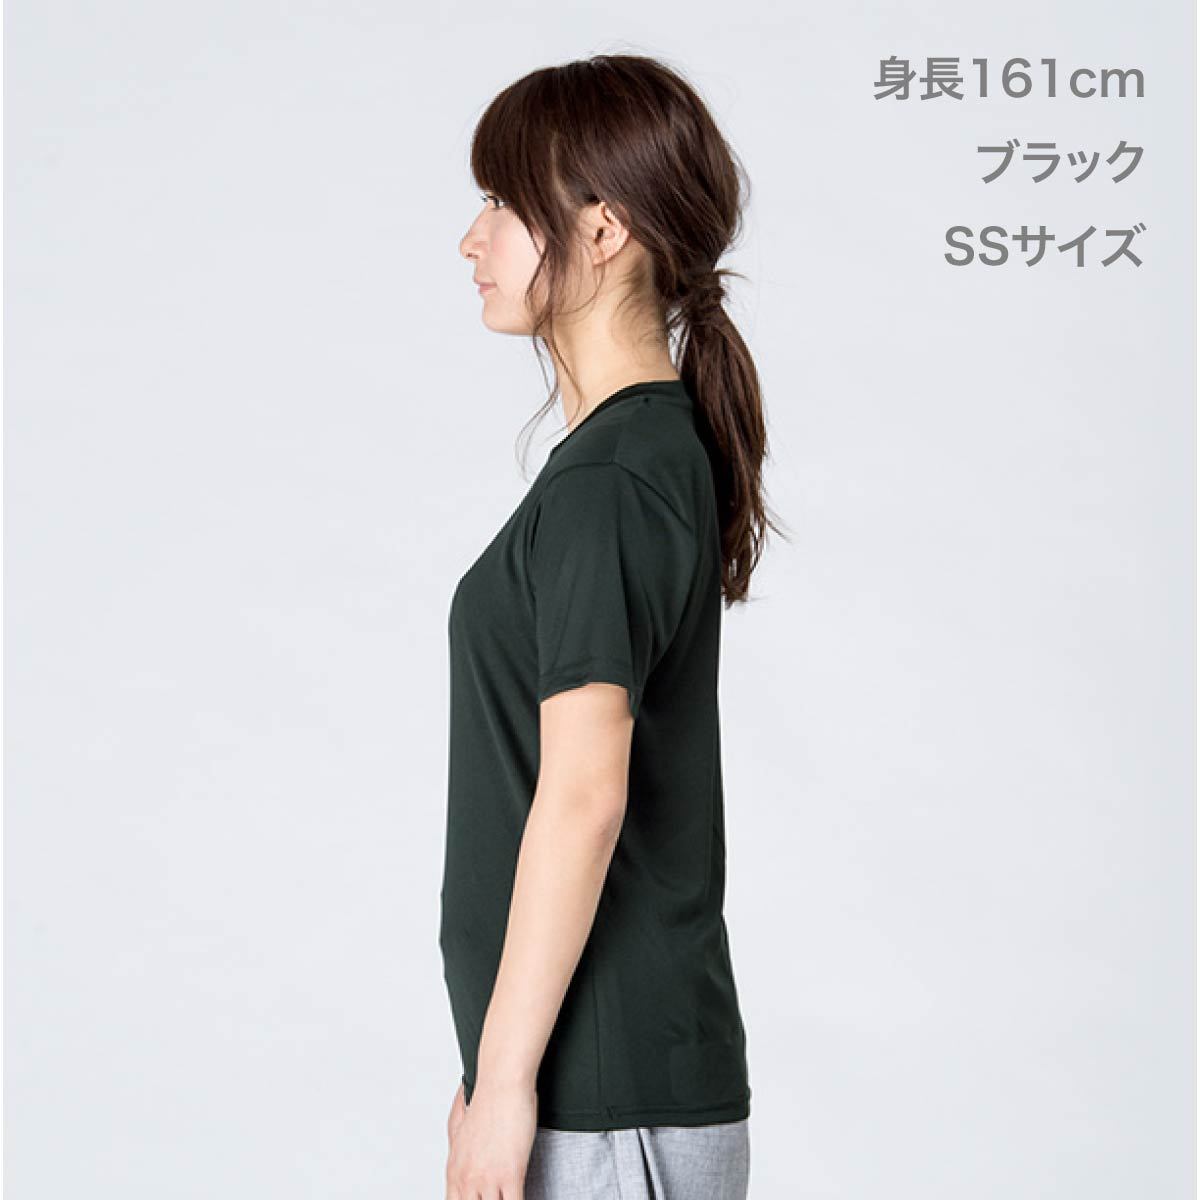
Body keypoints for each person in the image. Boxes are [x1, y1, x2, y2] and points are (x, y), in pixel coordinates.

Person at [441, 53, 783, 1200]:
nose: (473, 239)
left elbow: (584, 796)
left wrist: (505, 1080)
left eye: (502, 202)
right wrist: (495, 1067)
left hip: (607, 1105)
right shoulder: (632, 457)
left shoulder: (612, 481)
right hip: (600, 1089)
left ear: (601, 230)